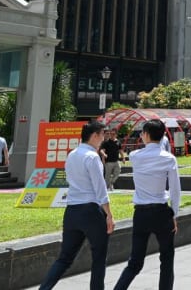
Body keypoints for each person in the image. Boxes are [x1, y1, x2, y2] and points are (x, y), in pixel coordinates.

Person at [39, 121, 114, 290]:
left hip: (72, 211)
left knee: (64, 258)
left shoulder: (72, 154)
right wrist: (109, 214)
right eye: (102, 134)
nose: (103, 138)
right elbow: (100, 188)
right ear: (94, 135)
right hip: (91, 211)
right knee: (99, 257)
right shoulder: (92, 156)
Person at [113, 119, 180, 290]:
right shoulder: (169, 159)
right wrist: (174, 214)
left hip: (141, 213)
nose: (141, 136)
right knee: (167, 258)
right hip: (161, 211)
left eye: (142, 133)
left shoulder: (135, 156)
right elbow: (175, 189)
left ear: (147, 135)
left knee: (135, 262)